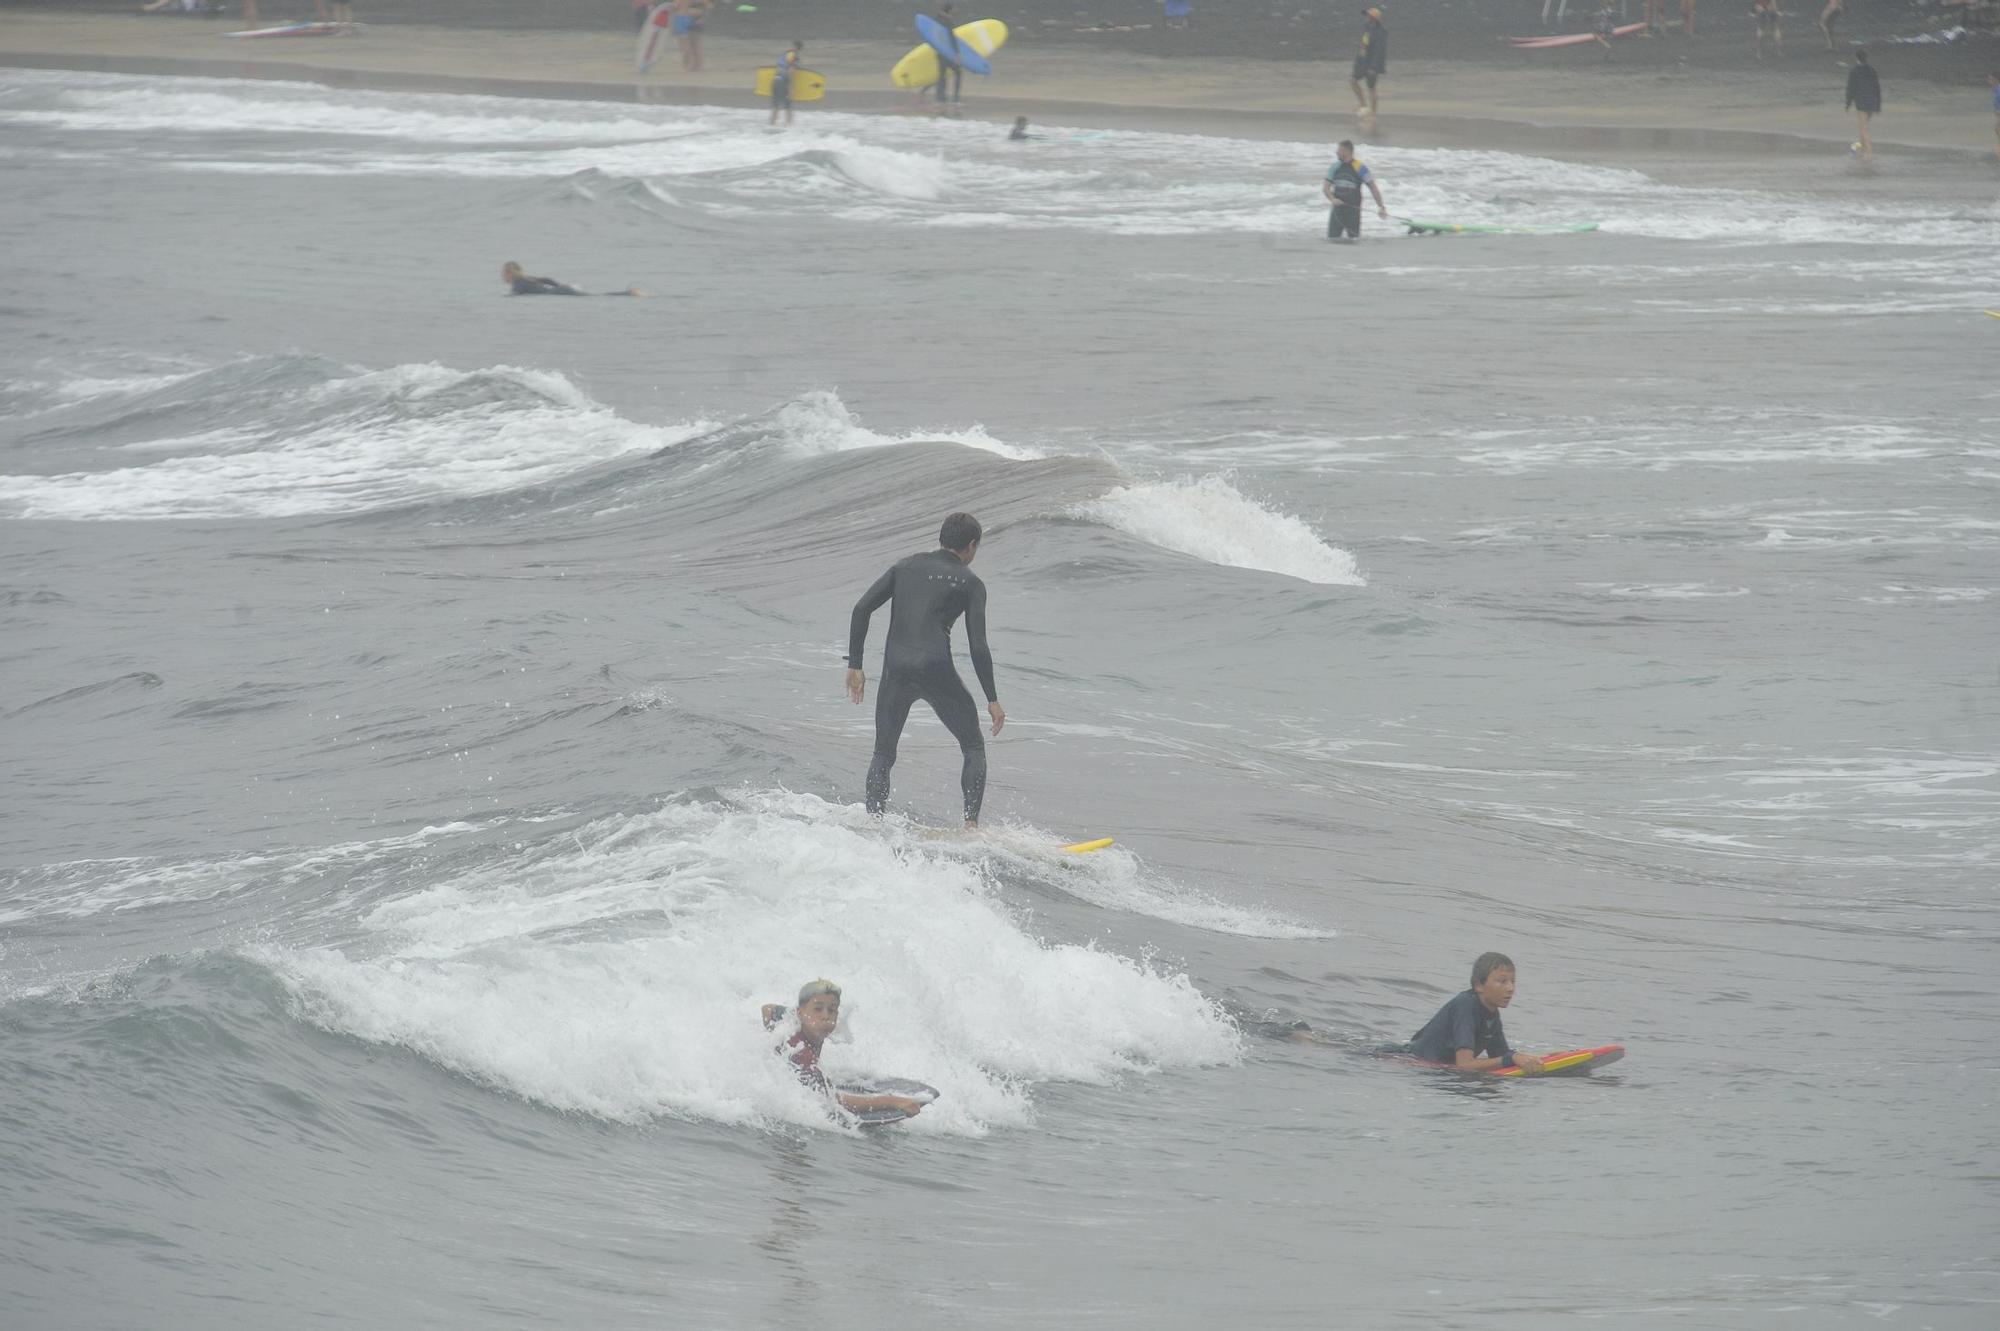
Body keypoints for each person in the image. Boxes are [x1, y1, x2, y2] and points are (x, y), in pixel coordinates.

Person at [846, 511, 1005, 828]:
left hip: (896, 667)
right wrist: (992, 698)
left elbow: (861, 608)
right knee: (973, 746)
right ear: (971, 545)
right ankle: (971, 827)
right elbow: (978, 645)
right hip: (935, 668)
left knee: (883, 753)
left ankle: (873, 823)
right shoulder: (971, 582)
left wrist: (855, 665)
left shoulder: (904, 567)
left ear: (942, 538)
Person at [762, 980, 929, 1120]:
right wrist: (893, 1101)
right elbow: (831, 1101)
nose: (825, 1015)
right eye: (818, 1009)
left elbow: (768, 1009)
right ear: (800, 1012)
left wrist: (786, 1022)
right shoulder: (800, 1052)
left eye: (832, 1010)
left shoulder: (796, 1021)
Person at [1404, 953, 1546, 1075]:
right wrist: (1512, 1058)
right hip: (1407, 1062)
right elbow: (1464, 1065)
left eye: (1512, 982)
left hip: (1436, 1069)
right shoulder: (1465, 1005)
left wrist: (1526, 1059)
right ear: (1479, 985)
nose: (1510, 988)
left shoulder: (1491, 1013)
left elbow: (1500, 1057)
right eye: (1502, 981)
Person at [1321, 139, 1388, 242]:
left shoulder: (1360, 167)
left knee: (1353, 241)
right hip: (1337, 211)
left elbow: (1373, 187)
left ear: (1347, 151)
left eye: (1339, 150)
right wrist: (1333, 199)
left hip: (1353, 211)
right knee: (1332, 241)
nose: (1337, 152)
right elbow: (1325, 188)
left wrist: (1381, 207)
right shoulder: (1335, 167)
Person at [500, 262, 641, 296]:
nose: (502, 276)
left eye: (504, 273)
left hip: (560, 292)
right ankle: (629, 293)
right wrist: (560, 285)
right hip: (561, 290)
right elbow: (546, 279)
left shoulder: (518, 284)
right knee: (595, 296)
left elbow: (515, 295)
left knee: (597, 297)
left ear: (509, 274)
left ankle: (629, 293)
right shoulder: (527, 278)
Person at [1350, 8, 1388, 119]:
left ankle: (1374, 113)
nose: (1366, 17)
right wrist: (1360, 46)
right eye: (1366, 15)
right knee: (1353, 81)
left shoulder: (1380, 32)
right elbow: (1365, 43)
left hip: (1372, 64)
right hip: (1362, 62)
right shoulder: (1367, 28)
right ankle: (1363, 104)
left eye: (1368, 16)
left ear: (1374, 18)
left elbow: (1379, 51)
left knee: (1371, 88)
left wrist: (1374, 67)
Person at [1845, 48, 1880, 160]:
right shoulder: (1872, 70)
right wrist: (1878, 104)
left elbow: (1850, 88)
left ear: (1856, 58)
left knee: (1863, 128)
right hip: (1873, 101)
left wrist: (1848, 103)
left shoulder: (1854, 71)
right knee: (1863, 126)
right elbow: (1877, 88)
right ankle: (1861, 149)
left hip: (1862, 102)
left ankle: (1869, 153)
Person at [929, 4, 964, 106]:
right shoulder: (948, 21)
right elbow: (952, 38)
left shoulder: (937, 20)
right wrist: (957, 53)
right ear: (950, 10)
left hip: (940, 52)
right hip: (948, 53)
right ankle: (955, 98)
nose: (956, 11)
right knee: (958, 73)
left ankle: (940, 98)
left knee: (942, 76)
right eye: (954, 9)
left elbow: (932, 34)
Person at [770, 40, 802, 127]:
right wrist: (790, 88)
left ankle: (771, 125)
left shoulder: (784, 54)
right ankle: (789, 127)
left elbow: (780, 67)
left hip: (775, 79)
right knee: (788, 105)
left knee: (775, 105)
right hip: (783, 81)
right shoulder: (794, 56)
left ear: (794, 46)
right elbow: (790, 71)